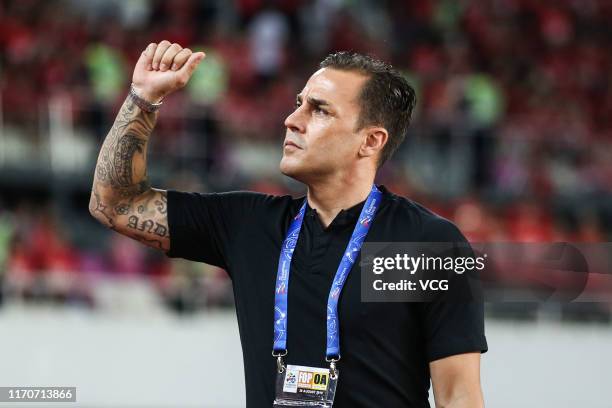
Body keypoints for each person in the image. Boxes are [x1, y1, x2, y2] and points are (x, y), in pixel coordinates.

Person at [89, 40, 487, 407]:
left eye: (319, 109)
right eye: (299, 103)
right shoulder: (247, 225)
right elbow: (113, 203)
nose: (291, 120)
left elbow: (459, 397)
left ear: (370, 141)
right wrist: (143, 99)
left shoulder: (430, 245)